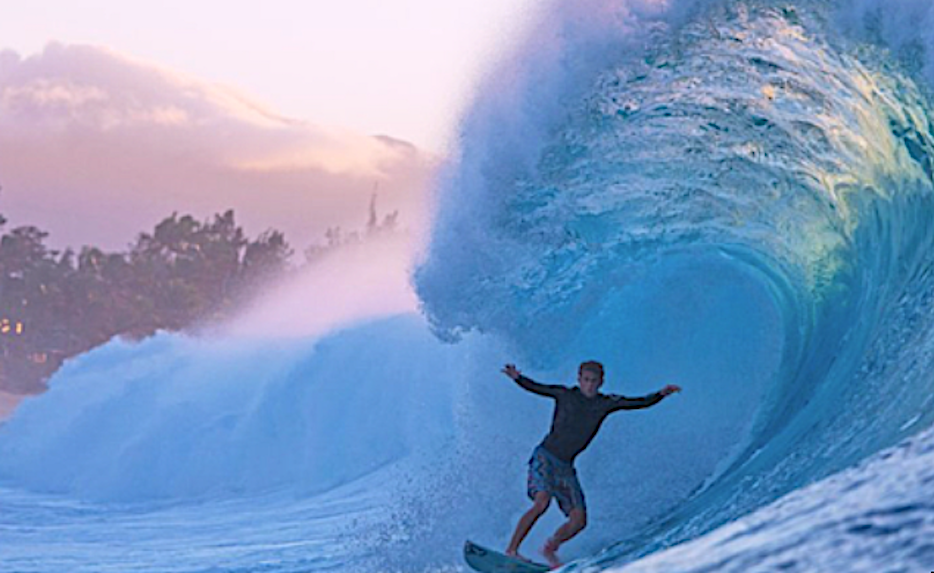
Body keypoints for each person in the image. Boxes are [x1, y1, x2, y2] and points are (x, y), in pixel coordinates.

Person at [502, 361, 681, 568]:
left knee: (579, 521)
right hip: (545, 457)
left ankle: (549, 549)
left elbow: (637, 402)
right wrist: (517, 378)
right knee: (542, 502)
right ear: (579, 379)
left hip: (566, 467)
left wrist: (660, 394)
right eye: (585, 380)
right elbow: (538, 387)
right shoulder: (565, 394)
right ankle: (512, 550)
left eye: (593, 381)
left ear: (601, 382)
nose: (589, 385)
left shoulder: (605, 403)